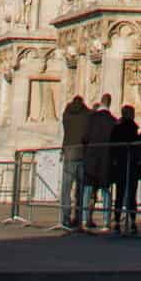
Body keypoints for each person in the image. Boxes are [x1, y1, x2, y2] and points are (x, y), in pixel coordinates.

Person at [59, 88, 91, 232]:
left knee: (66, 188)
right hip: (82, 154)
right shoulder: (86, 115)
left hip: (69, 152)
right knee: (80, 188)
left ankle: (65, 217)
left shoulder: (67, 114)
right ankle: (77, 218)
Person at [82, 96, 115, 230]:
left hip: (91, 158)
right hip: (106, 159)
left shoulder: (91, 119)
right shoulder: (113, 120)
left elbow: (85, 137)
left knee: (88, 189)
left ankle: (85, 218)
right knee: (106, 190)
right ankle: (106, 221)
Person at [108, 101, 139, 234]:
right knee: (131, 195)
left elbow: (111, 145)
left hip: (120, 164)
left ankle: (117, 220)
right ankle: (132, 221)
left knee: (120, 194)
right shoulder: (133, 127)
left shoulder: (117, 127)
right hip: (130, 163)